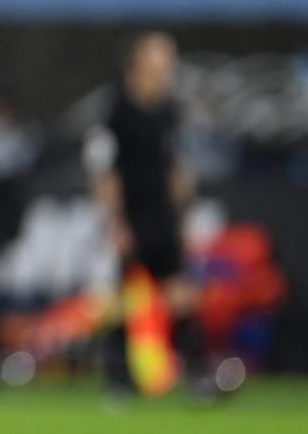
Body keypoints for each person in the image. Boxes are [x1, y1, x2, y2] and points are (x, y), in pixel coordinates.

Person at [84, 31, 210, 395]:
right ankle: (118, 380)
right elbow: (104, 171)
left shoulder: (171, 112)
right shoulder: (116, 112)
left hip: (164, 218)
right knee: (127, 302)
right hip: (131, 219)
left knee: (181, 296)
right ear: (137, 67)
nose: (163, 73)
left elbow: (177, 169)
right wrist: (116, 221)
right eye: (157, 65)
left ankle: (197, 375)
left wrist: (183, 216)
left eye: (167, 66)